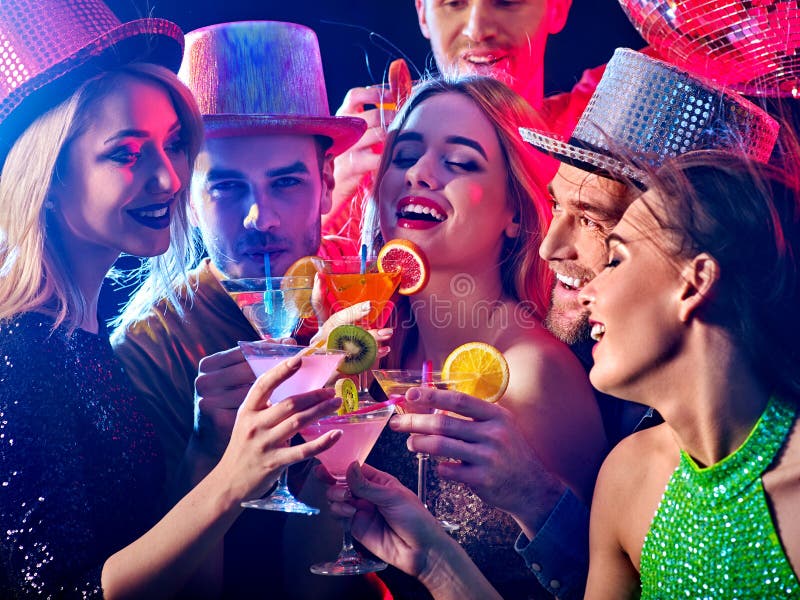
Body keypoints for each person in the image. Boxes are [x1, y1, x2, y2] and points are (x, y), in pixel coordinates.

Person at [380, 48, 781, 598]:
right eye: (555, 206)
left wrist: (535, 498)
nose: (549, 246)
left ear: (697, 273)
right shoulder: (632, 463)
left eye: (599, 226)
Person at [0, 2, 343, 597]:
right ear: (47, 177)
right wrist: (233, 476)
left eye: (173, 144)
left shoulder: (76, 334)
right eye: (127, 153)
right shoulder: (18, 349)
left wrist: (205, 451)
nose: (168, 179)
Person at [110, 21, 389, 599]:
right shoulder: (147, 346)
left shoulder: (365, 303)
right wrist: (205, 451)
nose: (259, 217)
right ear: (186, 191)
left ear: (327, 181)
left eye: (286, 182)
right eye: (226, 187)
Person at [353, 74, 607, 599]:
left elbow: (595, 581)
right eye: (404, 156)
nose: (420, 173)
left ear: (515, 212)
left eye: (460, 162)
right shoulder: (369, 352)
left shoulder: (534, 375)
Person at [581, 149, 800, 597]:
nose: (588, 291)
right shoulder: (628, 477)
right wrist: (434, 561)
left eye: (616, 260)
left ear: (695, 282)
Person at [323, 0, 605, 241]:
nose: (478, 30)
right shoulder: (374, 168)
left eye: (507, 0)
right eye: (454, 2)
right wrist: (320, 201)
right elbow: (298, 290)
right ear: (422, 11)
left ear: (557, 7)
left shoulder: (602, 119)